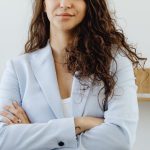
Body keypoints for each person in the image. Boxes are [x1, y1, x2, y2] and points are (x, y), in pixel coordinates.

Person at [0, 0, 146, 150]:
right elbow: (4, 139)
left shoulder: (115, 61)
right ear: (44, 4)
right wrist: (78, 123)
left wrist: (32, 135)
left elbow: (121, 138)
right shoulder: (18, 68)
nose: (64, 4)